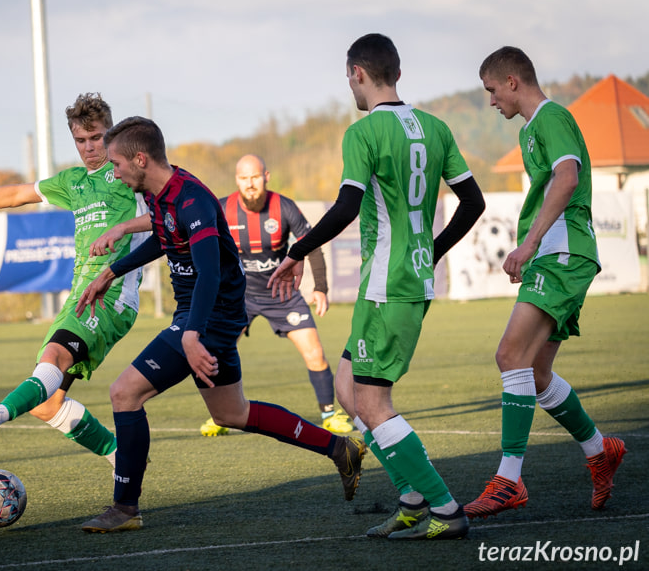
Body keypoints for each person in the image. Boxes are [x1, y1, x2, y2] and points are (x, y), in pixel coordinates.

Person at [75, 116, 366, 533]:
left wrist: (192, 335)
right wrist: (112, 271)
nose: (114, 171)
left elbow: (209, 274)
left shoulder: (191, 200)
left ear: (140, 159)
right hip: (204, 314)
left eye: (118, 163)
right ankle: (340, 448)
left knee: (124, 393)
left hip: (208, 315)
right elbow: (164, 237)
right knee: (233, 413)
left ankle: (124, 508)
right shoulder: (160, 194)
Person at [269, 33, 486, 540]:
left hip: (390, 284)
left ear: (357, 74)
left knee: (371, 403)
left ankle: (446, 509)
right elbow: (473, 202)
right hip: (404, 279)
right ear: (399, 73)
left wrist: (296, 252)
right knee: (348, 390)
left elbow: (346, 207)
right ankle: (411, 502)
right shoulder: (435, 127)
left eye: (349, 76)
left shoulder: (363, 132)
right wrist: (432, 248)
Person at [0, 93, 148, 468]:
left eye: (96, 137)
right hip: (79, 297)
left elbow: (170, 211)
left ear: (110, 134)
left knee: (53, 357)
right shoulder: (73, 181)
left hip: (112, 295)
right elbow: (18, 193)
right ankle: (120, 455)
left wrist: (126, 228)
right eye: (81, 140)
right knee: (46, 405)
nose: (89, 147)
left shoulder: (130, 172)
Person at [464, 46, 626, 519]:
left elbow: (567, 178)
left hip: (561, 254)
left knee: (509, 356)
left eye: (492, 90)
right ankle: (601, 451)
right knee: (533, 374)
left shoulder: (551, 117)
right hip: (557, 257)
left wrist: (529, 244)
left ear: (513, 81)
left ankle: (509, 481)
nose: (491, 101)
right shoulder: (535, 128)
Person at [199, 154, 352, 436]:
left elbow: (312, 244)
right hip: (237, 296)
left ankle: (329, 414)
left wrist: (320, 288)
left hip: (281, 293)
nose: (250, 184)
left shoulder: (284, 207)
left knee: (315, 353)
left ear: (266, 177)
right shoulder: (221, 209)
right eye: (244, 179)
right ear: (237, 181)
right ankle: (220, 415)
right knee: (213, 355)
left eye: (255, 177)